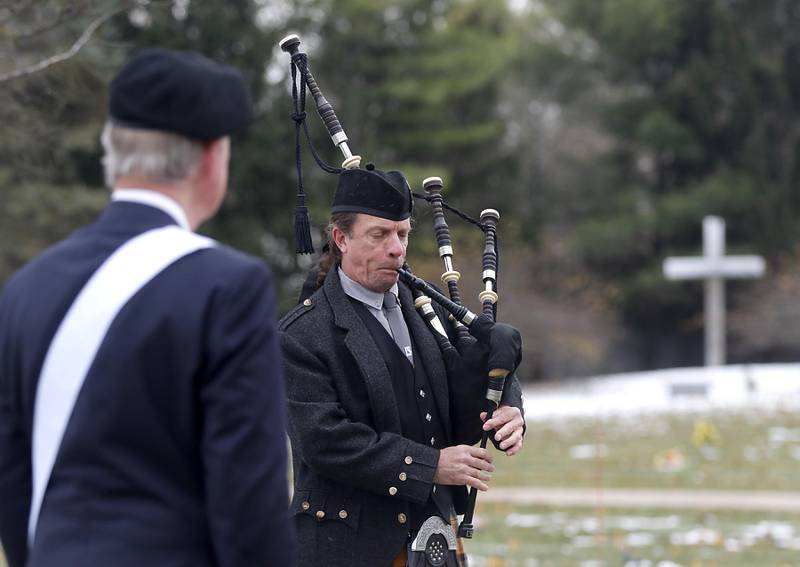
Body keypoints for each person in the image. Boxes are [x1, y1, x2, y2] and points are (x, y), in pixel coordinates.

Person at [0, 48, 294, 567]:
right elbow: (249, 499)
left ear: (113, 152)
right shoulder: (229, 287)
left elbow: (13, 481)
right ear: (210, 157)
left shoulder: (27, 288)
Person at [279, 165, 525, 567]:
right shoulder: (301, 335)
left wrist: (508, 407)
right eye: (380, 234)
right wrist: (432, 466)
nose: (397, 248)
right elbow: (324, 442)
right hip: (347, 547)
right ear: (341, 239)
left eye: (403, 233)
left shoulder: (430, 312)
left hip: (434, 542)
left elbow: (470, 378)